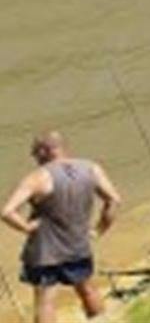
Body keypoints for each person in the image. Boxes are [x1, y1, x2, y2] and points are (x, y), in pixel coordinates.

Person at [3, 131, 120, 323]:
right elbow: (114, 200)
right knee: (88, 290)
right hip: (78, 245)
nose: (35, 158)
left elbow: (7, 212)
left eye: (35, 153)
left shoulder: (38, 177)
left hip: (45, 252)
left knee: (46, 303)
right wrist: (99, 230)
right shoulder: (91, 168)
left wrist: (27, 227)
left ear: (44, 151)